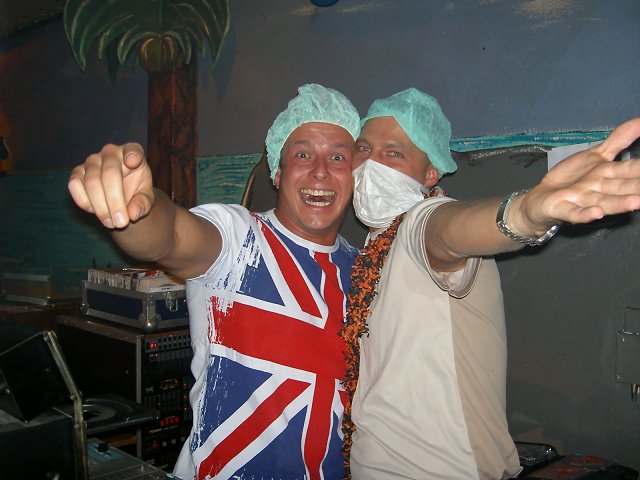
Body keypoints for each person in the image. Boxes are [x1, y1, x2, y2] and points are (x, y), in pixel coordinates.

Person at [339, 88, 640, 479]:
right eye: (364, 149)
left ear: (430, 175)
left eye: (394, 153)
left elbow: (450, 231)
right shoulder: (374, 245)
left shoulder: (419, 224)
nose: (371, 164)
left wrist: (526, 213)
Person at [68, 84, 361, 480]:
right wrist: (136, 209)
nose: (321, 170)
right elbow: (171, 236)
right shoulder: (239, 238)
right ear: (277, 172)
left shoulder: (364, 272)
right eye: (303, 154)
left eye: (338, 157)